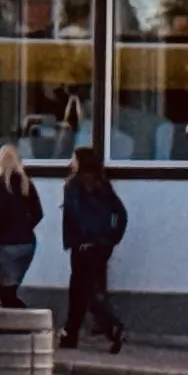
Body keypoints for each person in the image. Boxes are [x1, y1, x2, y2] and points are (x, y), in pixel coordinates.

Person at [60, 145, 129, 353]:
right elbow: (121, 214)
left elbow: (76, 214)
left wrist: (85, 238)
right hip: (102, 246)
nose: (70, 163)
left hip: (83, 246)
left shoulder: (74, 185)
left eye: (73, 159)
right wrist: (112, 238)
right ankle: (70, 335)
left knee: (83, 291)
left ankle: (111, 326)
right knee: (84, 290)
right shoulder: (103, 185)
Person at [0, 141, 42, 308]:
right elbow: (38, 213)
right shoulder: (26, 183)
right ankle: (20, 322)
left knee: (6, 295)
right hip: (27, 243)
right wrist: (24, 226)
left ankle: (22, 324)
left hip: (8, 244)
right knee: (12, 291)